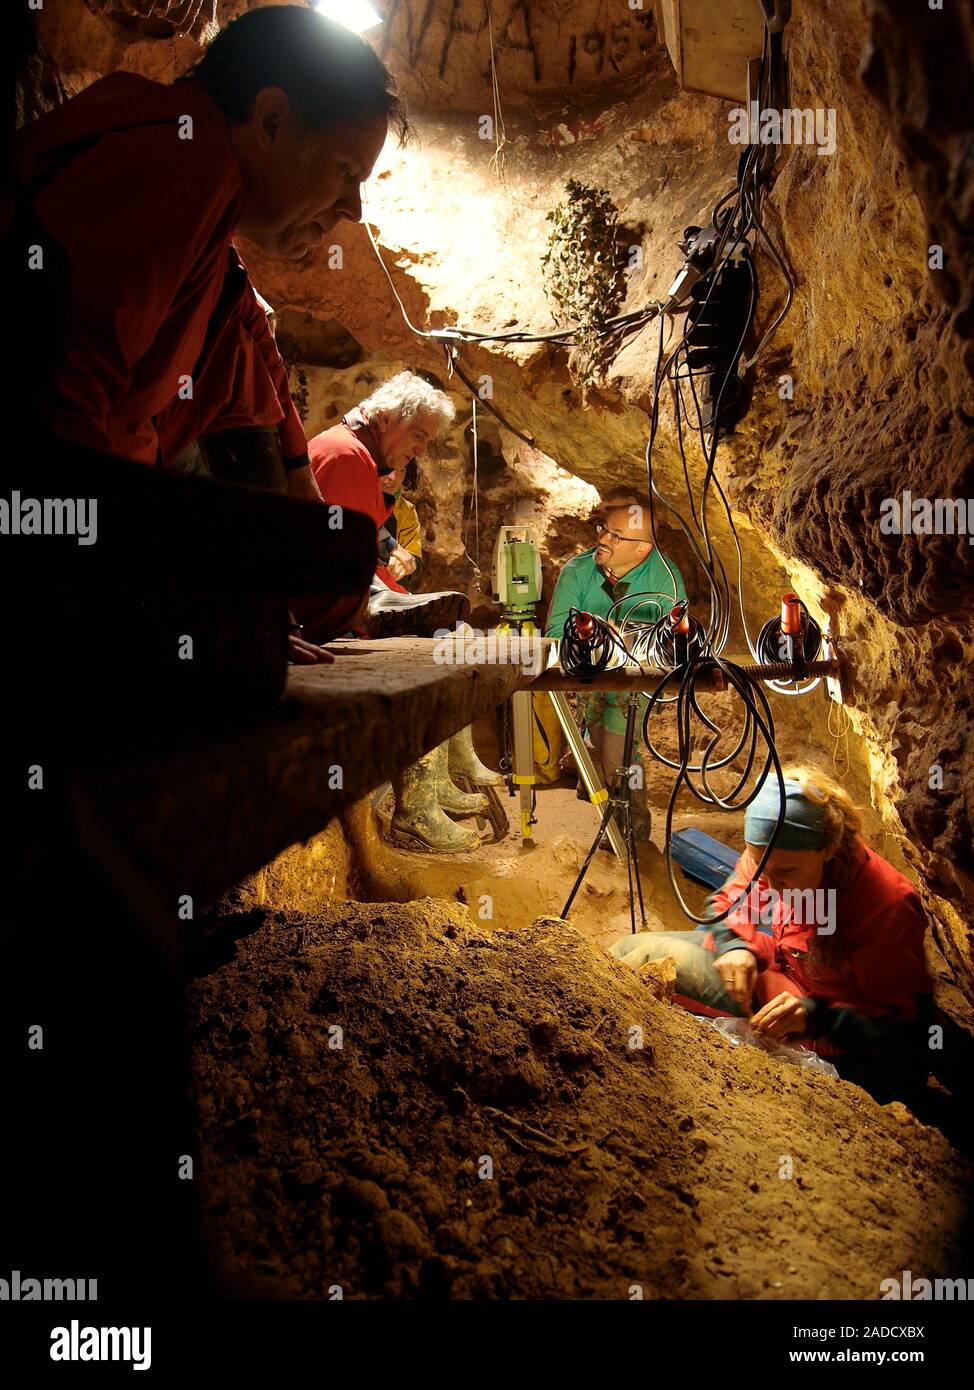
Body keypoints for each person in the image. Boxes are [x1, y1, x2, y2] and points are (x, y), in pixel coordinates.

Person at [14, 6, 407, 658]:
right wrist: (169, 613)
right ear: (272, 120)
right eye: (345, 172)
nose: (352, 209)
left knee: (328, 549)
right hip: (48, 557)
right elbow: (53, 426)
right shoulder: (181, 160)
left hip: (82, 542)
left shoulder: (209, 215)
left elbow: (258, 379)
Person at [611, 767, 937, 1106]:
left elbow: (903, 1031)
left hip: (833, 1035)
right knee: (627, 946)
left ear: (829, 847)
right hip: (788, 967)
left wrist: (814, 1017)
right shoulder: (776, 856)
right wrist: (736, 945)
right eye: (761, 865)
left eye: (786, 872)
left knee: (649, 960)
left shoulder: (886, 906)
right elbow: (734, 900)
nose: (772, 883)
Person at [307, 370, 500, 853]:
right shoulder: (345, 456)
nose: (421, 449)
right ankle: (416, 808)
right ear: (387, 416)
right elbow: (341, 560)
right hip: (331, 609)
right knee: (434, 647)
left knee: (449, 633)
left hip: (348, 593)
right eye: (418, 436)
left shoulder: (354, 457)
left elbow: (360, 546)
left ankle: (443, 776)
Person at [545, 493, 687, 839]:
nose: (603, 539)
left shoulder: (665, 578)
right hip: (590, 679)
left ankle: (632, 825)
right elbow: (554, 633)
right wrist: (591, 640)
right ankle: (606, 798)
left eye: (616, 536)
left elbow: (677, 637)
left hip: (632, 683)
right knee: (594, 740)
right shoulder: (578, 571)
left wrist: (625, 641)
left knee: (619, 751)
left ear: (642, 550)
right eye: (604, 530)